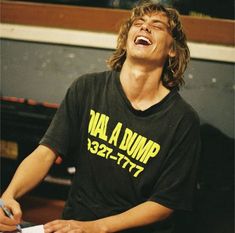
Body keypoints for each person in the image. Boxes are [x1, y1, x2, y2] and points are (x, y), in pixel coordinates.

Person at [0, 1, 201, 232]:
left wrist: (95, 228)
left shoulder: (182, 120)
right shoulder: (87, 89)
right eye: (138, 23)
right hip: (72, 226)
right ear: (127, 38)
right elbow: (45, 152)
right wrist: (8, 196)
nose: (145, 28)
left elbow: (165, 203)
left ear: (172, 49)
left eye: (157, 26)